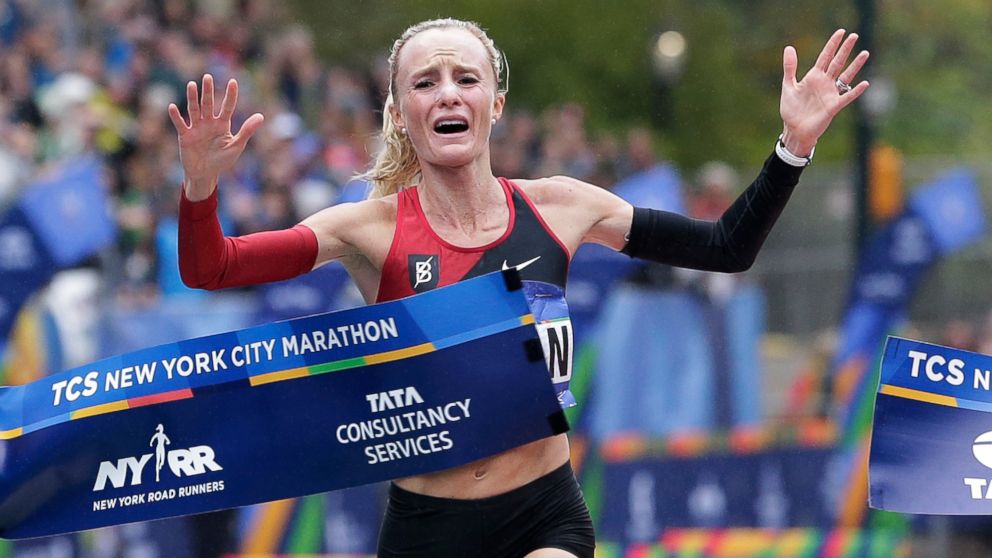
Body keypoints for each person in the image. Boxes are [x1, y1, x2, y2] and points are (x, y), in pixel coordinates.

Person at [169, 18, 868, 558]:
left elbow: (726, 247)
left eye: (465, 78)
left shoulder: (562, 207)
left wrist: (792, 149)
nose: (447, 91)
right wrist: (200, 186)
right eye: (426, 81)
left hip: (544, 511)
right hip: (427, 526)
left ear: (495, 102)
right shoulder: (368, 229)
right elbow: (213, 268)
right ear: (402, 112)